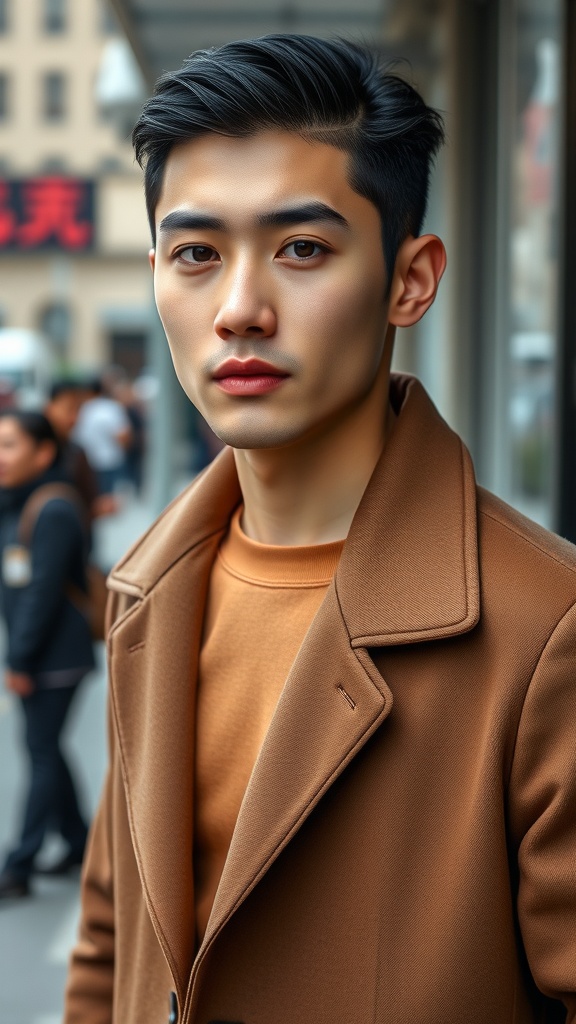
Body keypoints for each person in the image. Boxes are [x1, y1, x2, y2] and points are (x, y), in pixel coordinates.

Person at [65, 35, 576, 1024]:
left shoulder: (547, 626)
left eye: (302, 248)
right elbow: (112, 939)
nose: (239, 310)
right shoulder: (149, 587)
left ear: (411, 279)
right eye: (196, 254)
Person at [0, 411, 94, 900]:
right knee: (47, 748)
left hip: (55, 657)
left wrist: (18, 660)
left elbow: (42, 591)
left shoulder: (52, 507)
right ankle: (79, 840)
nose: (1, 456)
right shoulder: (20, 502)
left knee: (39, 750)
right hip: (45, 653)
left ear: (43, 452)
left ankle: (19, 864)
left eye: (10, 445)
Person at [44, 379, 100, 524]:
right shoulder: (34, 447)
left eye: (79, 410)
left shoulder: (76, 451)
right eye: (69, 409)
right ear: (49, 407)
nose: (75, 417)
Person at [73, 377, 132, 498]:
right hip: (109, 460)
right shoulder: (110, 408)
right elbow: (123, 436)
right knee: (107, 498)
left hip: (87, 462)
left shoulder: (80, 409)